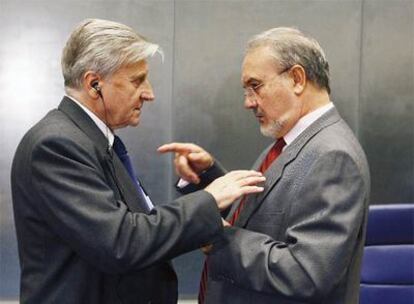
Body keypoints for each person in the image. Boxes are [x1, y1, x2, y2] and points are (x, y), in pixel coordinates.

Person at [10, 18, 266, 304]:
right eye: (137, 80)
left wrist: (207, 180)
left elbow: (137, 228)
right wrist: (208, 199)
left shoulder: (92, 141)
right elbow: (122, 242)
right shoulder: (57, 145)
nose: (149, 93)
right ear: (94, 84)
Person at [159, 27, 370, 304]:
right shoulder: (292, 140)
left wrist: (217, 237)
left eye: (255, 86)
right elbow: (263, 214)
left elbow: (307, 273)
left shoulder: (333, 156)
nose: (247, 102)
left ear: (297, 79)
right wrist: (208, 177)